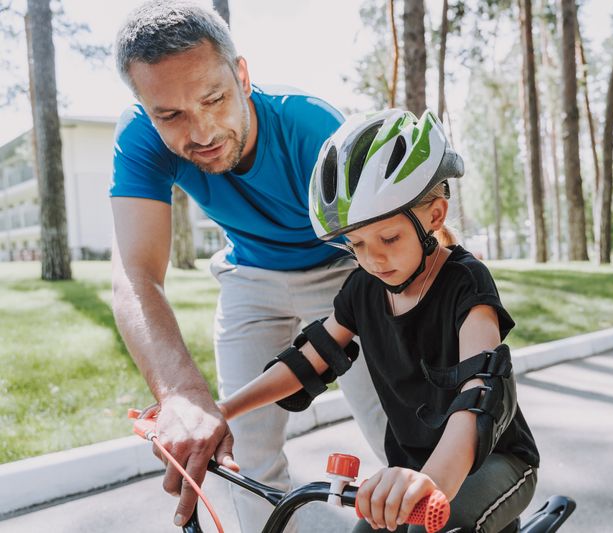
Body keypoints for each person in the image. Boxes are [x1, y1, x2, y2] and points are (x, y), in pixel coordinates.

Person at [109, 2, 386, 530]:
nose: (203, 130)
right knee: (248, 452)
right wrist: (183, 396)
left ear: (242, 75)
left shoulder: (312, 127)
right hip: (249, 278)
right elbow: (135, 274)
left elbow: (392, 242)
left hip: (342, 270)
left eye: (213, 98)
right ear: (145, 108)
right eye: (170, 115)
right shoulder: (139, 139)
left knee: (393, 425)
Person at [220, 109, 540, 533]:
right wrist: (222, 411)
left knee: (442, 528)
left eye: (389, 238)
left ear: (435, 216)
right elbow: (306, 361)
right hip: (411, 470)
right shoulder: (363, 289)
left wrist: (431, 481)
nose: (373, 259)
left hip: (495, 459)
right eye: (356, 244)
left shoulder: (466, 284)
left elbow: (480, 393)